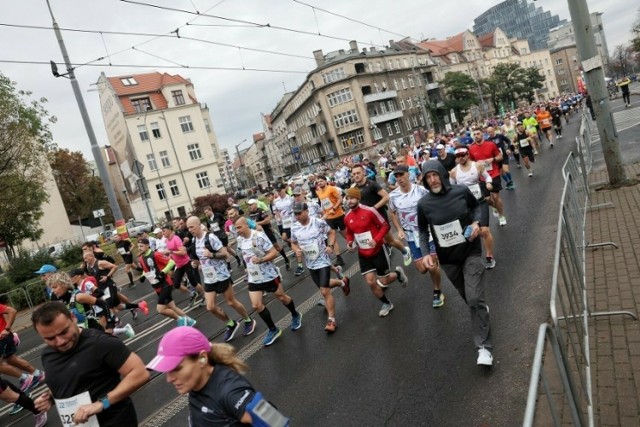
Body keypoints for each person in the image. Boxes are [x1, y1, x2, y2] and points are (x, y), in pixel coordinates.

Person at [417, 160, 494, 366]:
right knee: (470, 299)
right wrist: (426, 253)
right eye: (428, 177)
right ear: (424, 180)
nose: (433, 180)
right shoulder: (423, 204)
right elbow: (423, 231)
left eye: (435, 175)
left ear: (442, 174)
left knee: (475, 298)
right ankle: (481, 312)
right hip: (448, 260)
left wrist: (477, 222)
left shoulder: (460, 191)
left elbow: (477, 206)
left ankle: (484, 348)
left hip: (470, 252)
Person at [32, 302, 150, 426]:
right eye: (50, 338)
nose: (60, 341)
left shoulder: (101, 343)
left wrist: (101, 404)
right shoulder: (47, 354)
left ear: (73, 317)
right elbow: (66, 381)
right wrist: (50, 398)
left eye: (64, 332)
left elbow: (140, 373)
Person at [147, 326, 290, 426]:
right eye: (167, 370)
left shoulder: (231, 391)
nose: (169, 378)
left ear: (202, 358)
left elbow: (277, 423)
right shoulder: (196, 384)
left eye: (176, 368)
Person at [186, 216, 256, 341]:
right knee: (210, 307)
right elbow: (197, 258)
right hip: (209, 278)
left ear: (198, 225)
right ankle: (231, 324)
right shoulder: (194, 241)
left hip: (222, 275)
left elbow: (225, 254)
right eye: (188, 228)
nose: (190, 230)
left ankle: (248, 320)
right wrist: (195, 263)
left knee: (231, 302)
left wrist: (211, 255)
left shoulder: (210, 237)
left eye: (192, 227)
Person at [235, 217, 302, 346]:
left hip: (269, 275)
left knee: (281, 297)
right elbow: (244, 256)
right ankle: (273, 329)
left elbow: (273, 253)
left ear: (247, 225)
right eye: (236, 228)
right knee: (256, 305)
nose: (238, 230)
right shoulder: (239, 240)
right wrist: (246, 268)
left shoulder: (259, 236)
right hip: (254, 277)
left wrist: (261, 260)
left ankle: (295, 314)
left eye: (239, 227)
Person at [343, 187, 407, 317]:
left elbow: (385, 226)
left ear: (358, 198)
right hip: (363, 254)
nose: (349, 201)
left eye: (351, 198)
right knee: (371, 282)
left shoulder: (370, 211)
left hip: (378, 250)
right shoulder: (347, 216)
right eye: (347, 198)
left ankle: (398, 274)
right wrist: (349, 243)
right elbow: (349, 232)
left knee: (384, 280)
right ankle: (387, 303)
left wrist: (376, 239)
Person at [387, 165, 445, 308]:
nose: (399, 178)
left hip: (427, 234)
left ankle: (437, 291)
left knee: (431, 266)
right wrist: (399, 229)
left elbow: (434, 206)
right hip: (411, 236)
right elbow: (392, 213)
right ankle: (434, 265)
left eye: (401, 175)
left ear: (408, 174)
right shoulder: (393, 196)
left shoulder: (421, 191)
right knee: (422, 269)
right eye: (397, 176)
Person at [290, 202, 350, 333]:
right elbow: (293, 242)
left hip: (323, 260)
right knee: (325, 286)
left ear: (306, 211)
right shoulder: (294, 227)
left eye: (299, 213)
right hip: (310, 263)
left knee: (324, 291)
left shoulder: (318, 222)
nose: (297, 216)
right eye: (295, 214)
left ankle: (332, 320)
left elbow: (332, 232)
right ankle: (342, 282)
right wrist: (296, 250)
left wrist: (331, 246)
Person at [350, 163, 412, 266]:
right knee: (375, 240)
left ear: (364, 173)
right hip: (367, 220)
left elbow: (386, 197)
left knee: (390, 240)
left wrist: (373, 208)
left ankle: (405, 251)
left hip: (380, 218)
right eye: (354, 174)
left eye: (358, 173)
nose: (356, 176)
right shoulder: (354, 187)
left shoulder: (372, 184)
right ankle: (384, 255)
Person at [449, 146, 497, 269]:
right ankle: (471, 256)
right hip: (465, 206)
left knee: (485, 230)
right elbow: (451, 189)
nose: (461, 158)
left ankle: (489, 256)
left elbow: (487, 176)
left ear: (467, 154)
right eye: (458, 156)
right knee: (470, 233)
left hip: (480, 201)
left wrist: (488, 182)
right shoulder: (454, 172)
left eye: (463, 155)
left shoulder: (477, 166)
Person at [47, 272, 136, 337]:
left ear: (64, 284)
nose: (53, 291)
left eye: (55, 287)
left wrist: (109, 324)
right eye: (51, 288)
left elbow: (103, 303)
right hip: (80, 334)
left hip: (94, 331)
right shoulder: (60, 301)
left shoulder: (78, 296)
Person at [137, 238, 197, 327]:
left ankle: (180, 319)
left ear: (148, 245)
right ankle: (190, 320)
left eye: (141, 246)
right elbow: (146, 269)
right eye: (138, 247)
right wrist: (142, 276)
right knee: (172, 307)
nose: (139, 248)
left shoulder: (155, 254)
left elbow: (171, 262)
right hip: (156, 286)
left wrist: (163, 272)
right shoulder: (141, 258)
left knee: (160, 309)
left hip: (165, 284)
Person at [1, 301, 46, 415]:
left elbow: (12, 311)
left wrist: (7, 329)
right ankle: (37, 374)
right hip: (4, 338)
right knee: (11, 359)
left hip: (2, 338)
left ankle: (24, 379)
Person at [468, 128, 507, 227]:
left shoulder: (491, 144)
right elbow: (470, 162)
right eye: (475, 134)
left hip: (494, 173)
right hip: (481, 177)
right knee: (487, 199)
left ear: (482, 134)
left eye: (478, 133)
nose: (476, 136)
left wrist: (492, 159)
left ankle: (501, 216)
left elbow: (500, 157)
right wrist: (476, 164)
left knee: (495, 196)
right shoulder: (471, 148)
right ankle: (495, 207)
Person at [161, 224, 205, 307]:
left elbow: (183, 252)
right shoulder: (166, 241)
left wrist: (171, 252)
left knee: (194, 283)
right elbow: (171, 252)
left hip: (186, 263)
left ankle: (204, 295)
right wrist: (167, 255)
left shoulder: (176, 239)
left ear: (170, 230)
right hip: (178, 265)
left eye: (164, 231)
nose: (163, 233)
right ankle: (192, 293)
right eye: (162, 231)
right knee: (176, 284)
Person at [247, 199, 291, 271]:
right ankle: (271, 267)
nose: (250, 206)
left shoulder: (261, 211)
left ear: (255, 204)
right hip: (258, 234)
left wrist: (258, 223)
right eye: (249, 205)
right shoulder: (250, 213)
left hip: (266, 231)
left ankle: (286, 259)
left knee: (276, 246)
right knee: (264, 250)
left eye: (251, 204)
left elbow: (267, 220)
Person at [315, 175, 347, 266]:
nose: (320, 183)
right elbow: (323, 203)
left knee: (344, 233)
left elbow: (340, 199)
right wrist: (324, 214)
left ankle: (352, 242)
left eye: (321, 181)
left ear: (325, 181)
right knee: (332, 236)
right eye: (318, 182)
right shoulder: (318, 192)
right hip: (329, 218)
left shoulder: (332, 189)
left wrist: (334, 208)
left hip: (339, 215)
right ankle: (339, 257)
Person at [203, 205, 243, 270]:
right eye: (205, 213)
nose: (206, 214)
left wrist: (220, 225)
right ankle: (238, 259)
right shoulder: (208, 220)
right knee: (228, 249)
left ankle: (229, 268)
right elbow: (208, 228)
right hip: (216, 237)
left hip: (223, 235)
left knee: (224, 252)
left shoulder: (218, 215)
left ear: (210, 210)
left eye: (207, 212)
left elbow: (225, 221)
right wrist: (210, 229)